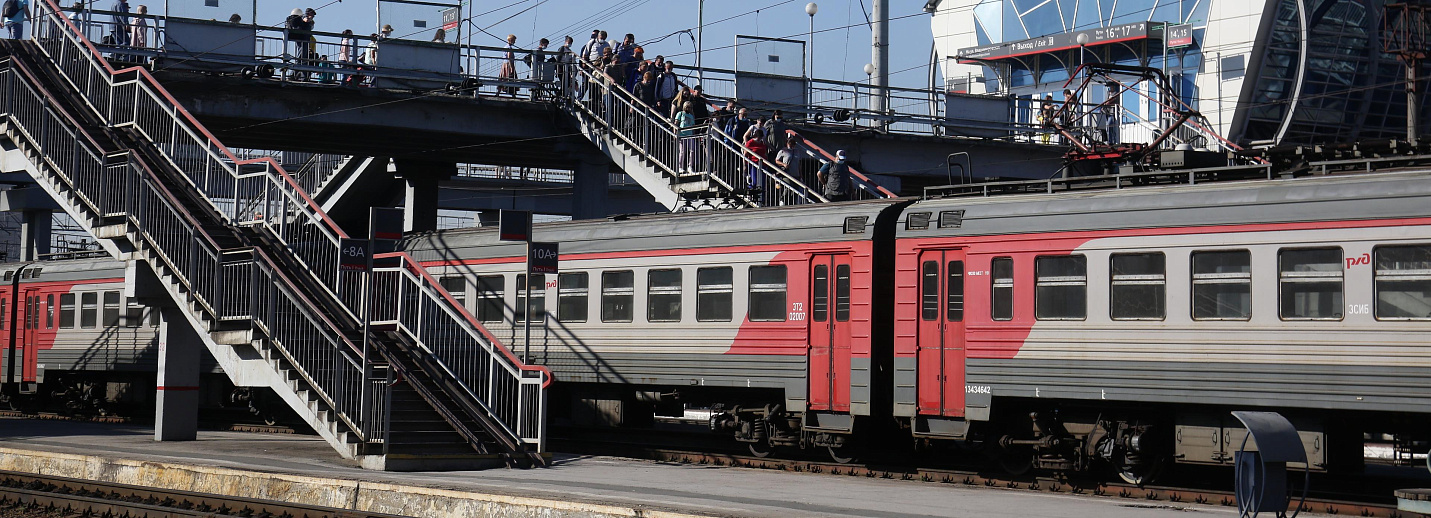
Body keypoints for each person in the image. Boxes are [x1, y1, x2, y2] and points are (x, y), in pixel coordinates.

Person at [674, 101, 697, 174]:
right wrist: (675, 133)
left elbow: (693, 126)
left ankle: (690, 166)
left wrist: (693, 134)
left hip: (690, 135)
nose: (688, 108)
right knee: (682, 151)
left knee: (692, 150)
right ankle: (680, 167)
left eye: (690, 107)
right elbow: (676, 124)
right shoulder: (680, 113)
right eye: (687, 107)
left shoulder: (691, 116)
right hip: (682, 135)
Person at [744, 128, 768, 193]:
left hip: (763, 164)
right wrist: (745, 165)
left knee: (762, 182)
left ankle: (761, 199)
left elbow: (765, 152)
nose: (759, 139)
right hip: (754, 163)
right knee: (754, 181)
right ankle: (750, 192)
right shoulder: (750, 143)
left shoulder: (762, 143)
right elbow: (745, 154)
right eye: (758, 137)